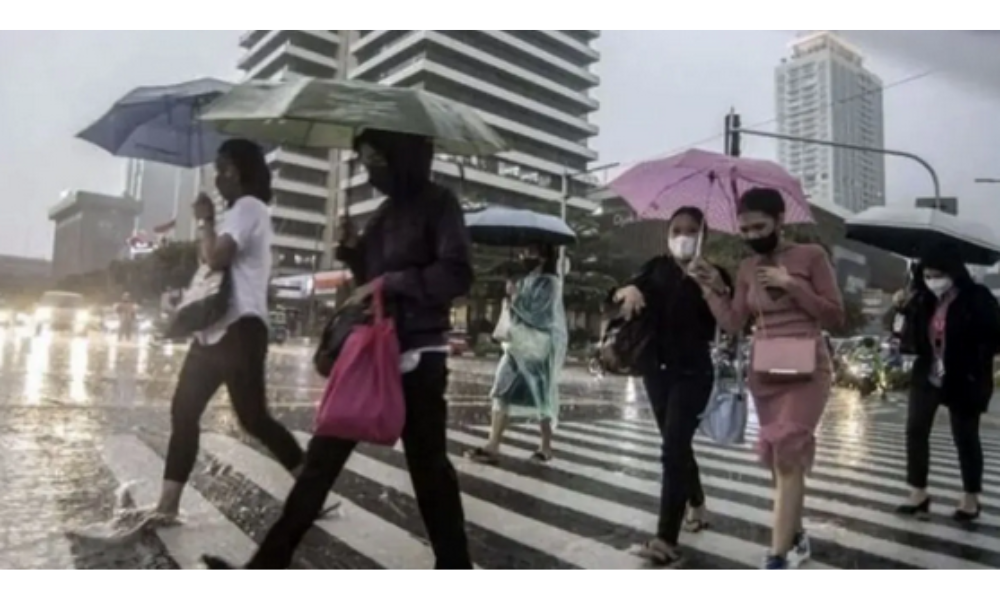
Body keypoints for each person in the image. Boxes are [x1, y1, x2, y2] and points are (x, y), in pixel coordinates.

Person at [204, 128, 474, 569]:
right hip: (369, 353)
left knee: (429, 472)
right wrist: (352, 251)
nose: (370, 172)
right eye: (365, 162)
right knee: (320, 462)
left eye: (377, 160)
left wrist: (391, 282)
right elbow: (368, 279)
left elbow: (457, 274)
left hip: (417, 358)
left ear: (402, 156)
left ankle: (455, 568)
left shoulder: (440, 203)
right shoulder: (385, 212)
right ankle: (265, 567)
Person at [143, 139, 306, 525]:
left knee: (253, 419)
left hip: (239, 329)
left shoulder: (249, 207)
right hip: (212, 329)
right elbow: (208, 257)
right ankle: (167, 506)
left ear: (241, 171)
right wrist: (208, 223)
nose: (219, 178)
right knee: (184, 411)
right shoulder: (237, 212)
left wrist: (205, 220)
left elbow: (217, 257)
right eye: (217, 170)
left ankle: (313, 490)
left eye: (224, 169)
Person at [688, 188, 844, 570]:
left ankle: (777, 555)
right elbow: (733, 322)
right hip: (766, 370)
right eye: (745, 229)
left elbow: (835, 316)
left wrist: (792, 285)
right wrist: (710, 289)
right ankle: (796, 536)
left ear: (780, 221)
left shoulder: (812, 256)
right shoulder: (746, 268)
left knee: (789, 453)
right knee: (780, 460)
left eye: (759, 227)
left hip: (808, 369)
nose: (752, 235)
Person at [611, 207, 732, 568]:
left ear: (703, 236)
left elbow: (731, 322)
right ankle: (697, 502)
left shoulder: (714, 274)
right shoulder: (655, 268)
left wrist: (718, 289)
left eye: (691, 230)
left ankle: (666, 537)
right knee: (674, 444)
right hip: (655, 370)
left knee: (673, 448)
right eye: (677, 230)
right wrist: (626, 290)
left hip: (694, 373)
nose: (683, 236)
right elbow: (616, 297)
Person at [893, 245, 1000, 522]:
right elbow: (907, 339)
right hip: (928, 372)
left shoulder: (977, 297)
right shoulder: (922, 298)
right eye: (927, 275)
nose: (933, 281)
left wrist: (973, 350)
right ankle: (918, 492)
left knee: (965, 436)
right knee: (915, 430)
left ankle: (970, 497)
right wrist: (903, 308)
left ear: (954, 273)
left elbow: (994, 336)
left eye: (938, 275)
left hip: (964, 375)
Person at [467, 243, 568, 465]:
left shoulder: (551, 283)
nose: (524, 256)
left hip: (536, 348)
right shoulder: (524, 280)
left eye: (530, 252)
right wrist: (511, 297)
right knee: (500, 389)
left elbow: (541, 316)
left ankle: (545, 446)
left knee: (541, 395)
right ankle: (493, 444)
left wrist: (516, 300)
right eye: (523, 252)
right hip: (515, 344)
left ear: (543, 256)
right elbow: (515, 314)